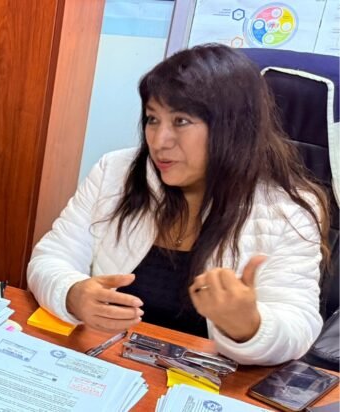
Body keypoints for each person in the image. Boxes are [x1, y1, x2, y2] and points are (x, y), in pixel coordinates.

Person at [28, 44, 330, 366]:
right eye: (152, 119)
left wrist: (249, 325)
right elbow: (51, 257)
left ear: (232, 128)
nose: (159, 141)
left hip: (206, 382)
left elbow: (297, 327)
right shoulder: (115, 172)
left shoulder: (287, 210)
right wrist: (72, 293)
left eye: (181, 121)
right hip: (107, 364)